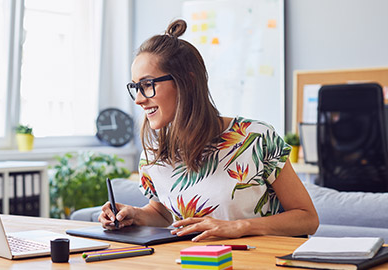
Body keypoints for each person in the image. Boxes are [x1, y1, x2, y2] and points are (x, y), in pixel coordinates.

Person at [99, 19, 319, 241]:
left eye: (147, 85)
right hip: (192, 261)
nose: (138, 99)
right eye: (135, 87)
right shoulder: (153, 154)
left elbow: (307, 218)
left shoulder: (256, 138)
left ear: (188, 82)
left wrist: (240, 226)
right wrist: (135, 215)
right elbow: (163, 214)